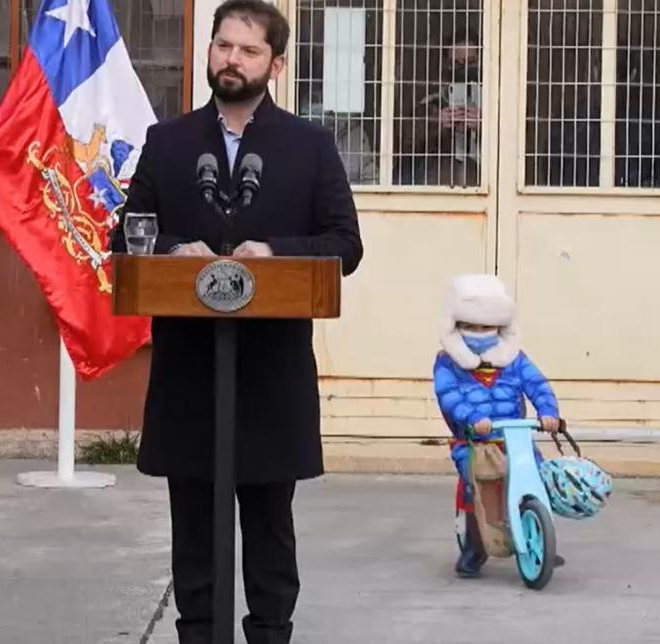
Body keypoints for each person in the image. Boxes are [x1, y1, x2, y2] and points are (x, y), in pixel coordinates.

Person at [114, 1, 363, 642]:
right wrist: (173, 248)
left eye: (249, 50)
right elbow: (130, 232)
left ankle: (271, 633)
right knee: (193, 528)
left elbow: (345, 243)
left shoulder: (308, 147)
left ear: (275, 65)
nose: (231, 59)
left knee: (269, 528)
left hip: (269, 375)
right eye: (223, 45)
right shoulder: (167, 143)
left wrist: (277, 251)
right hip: (190, 374)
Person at [432, 274, 562, 577]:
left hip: (515, 438)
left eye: (487, 328)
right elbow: (448, 395)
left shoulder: (515, 360)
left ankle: (540, 537)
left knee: (536, 475)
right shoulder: (447, 363)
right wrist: (471, 419)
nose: (480, 334)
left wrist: (548, 412)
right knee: (477, 483)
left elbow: (536, 383)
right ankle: (475, 547)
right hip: (475, 442)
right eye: (472, 328)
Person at [394, 31, 482, 186]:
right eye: (458, 64)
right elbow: (404, 144)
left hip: (484, 189)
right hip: (440, 188)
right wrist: (436, 124)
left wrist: (484, 127)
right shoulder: (431, 104)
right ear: (447, 65)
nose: (465, 70)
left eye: (471, 62)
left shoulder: (497, 106)